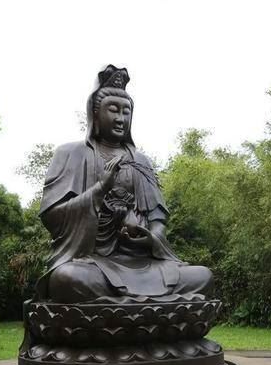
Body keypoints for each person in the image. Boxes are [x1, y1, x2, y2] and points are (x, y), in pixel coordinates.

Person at [35, 65, 213, 303]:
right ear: (95, 114)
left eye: (126, 112)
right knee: (66, 278)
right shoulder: (71, 153)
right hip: (94, 263)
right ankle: (151, 308)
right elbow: (52, 217)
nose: (120, 118)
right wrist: (100, 189)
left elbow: (157, 220)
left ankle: (123, 307)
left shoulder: (141, 161)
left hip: (144, 263)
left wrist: (151, 236)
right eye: (113, 110)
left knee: (202, 276)